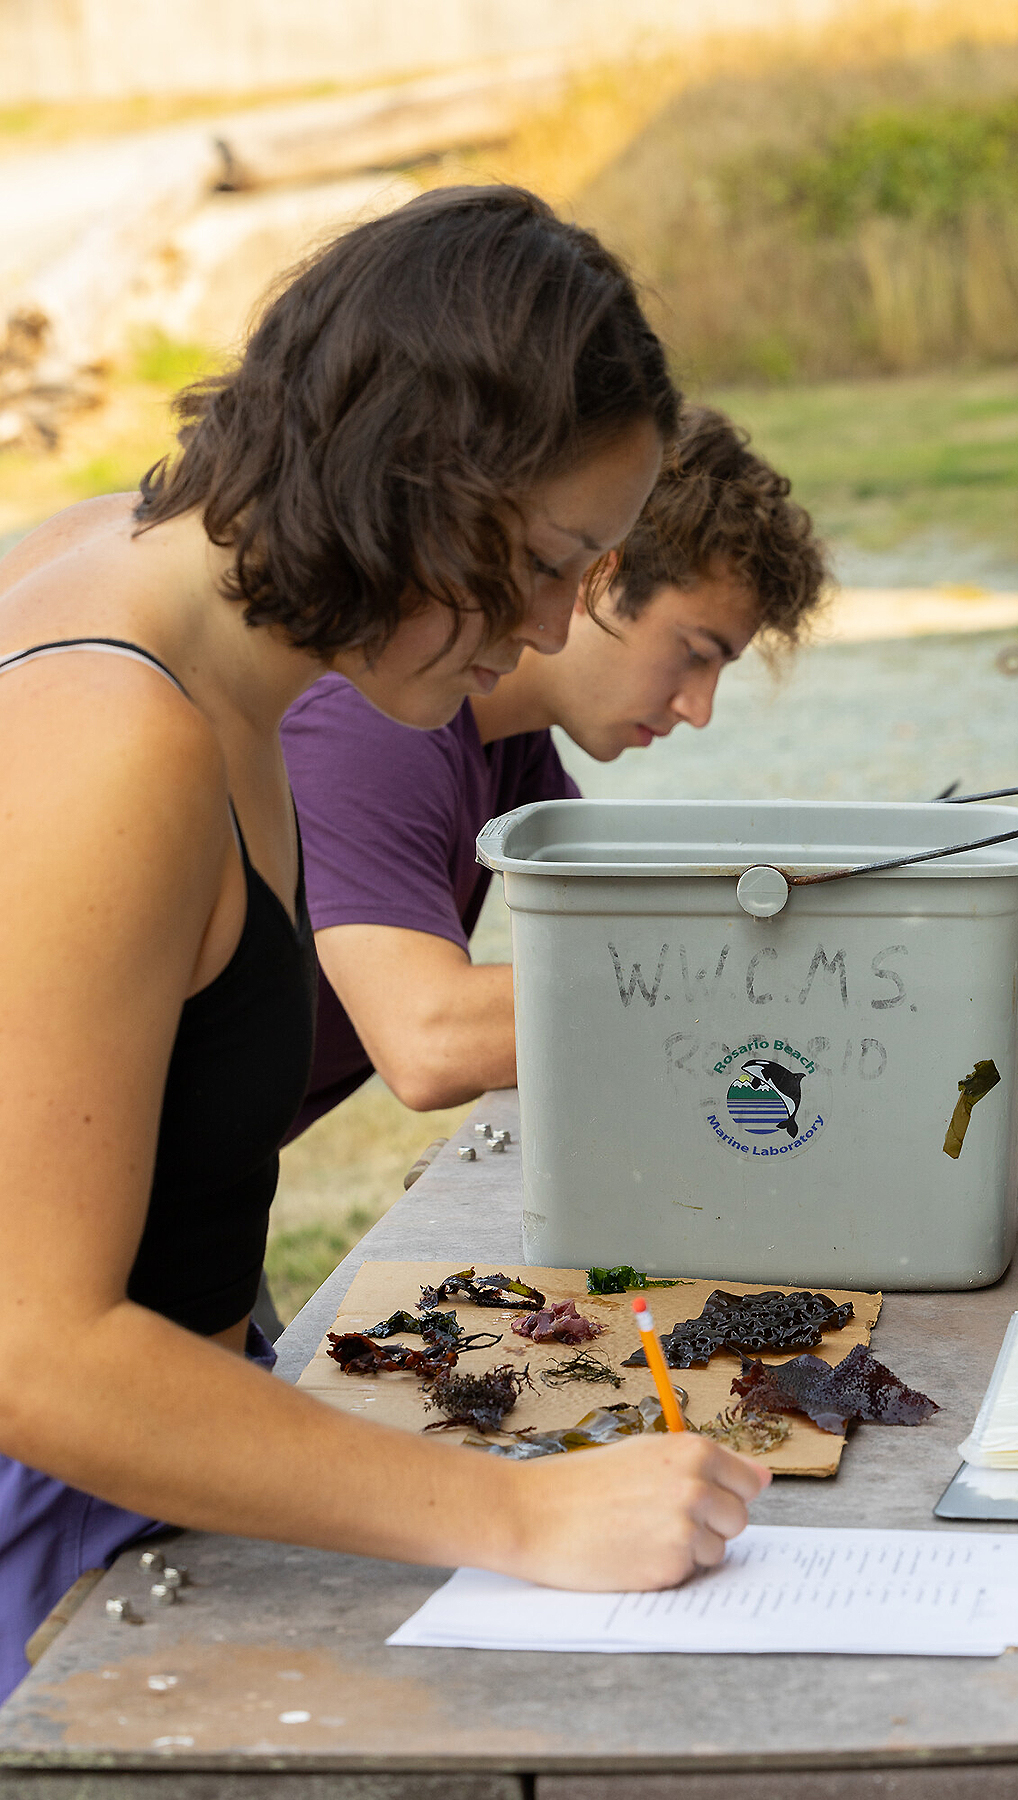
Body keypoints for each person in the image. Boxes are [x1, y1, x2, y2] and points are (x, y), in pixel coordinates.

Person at [0, 186, 767, 1704]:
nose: (551, 629)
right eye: (555, 559)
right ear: (423, 474)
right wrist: (518, 1514)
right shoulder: (118, 734)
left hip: (157, 1469)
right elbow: (39, 1350)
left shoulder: (119, 564)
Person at [283, 405, 825, 1129]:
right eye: (695, 652)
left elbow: (623, 940)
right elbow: (429, 1039)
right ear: (601, 571)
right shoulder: (366, 716)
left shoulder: (513, 747)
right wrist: (760, 985)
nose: (700, 708)